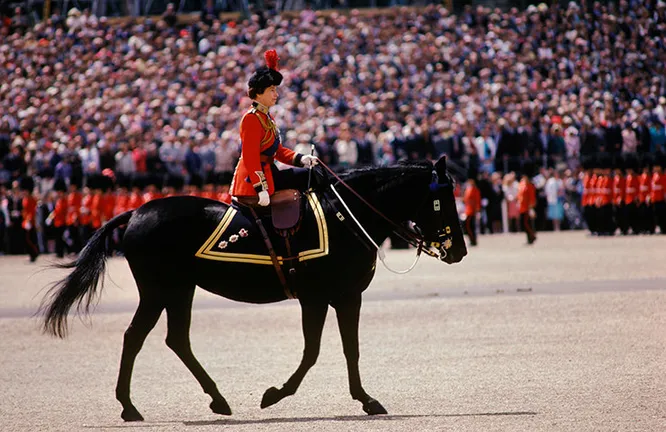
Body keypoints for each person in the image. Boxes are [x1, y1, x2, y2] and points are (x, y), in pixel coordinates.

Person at [230, 49, 318, 207]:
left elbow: (277, 151)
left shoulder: (267, 117)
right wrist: (260, 188)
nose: (276, 94)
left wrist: (300, 158)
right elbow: (250, 157)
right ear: (259, 93)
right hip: (251, 182)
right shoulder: (251, 118)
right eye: (272, 90)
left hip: (270, 172)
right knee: (311, 177)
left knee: (314, 175)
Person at [517, 162, 537, 245]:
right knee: (524, 224)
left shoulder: (530, 185)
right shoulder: (521, 184)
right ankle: (530, 237)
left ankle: (532, 237)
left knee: (527, 224)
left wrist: (531, 208)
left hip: (527, 207)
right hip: (522, 207)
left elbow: (532, 197)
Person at [463, 173, 481, 246]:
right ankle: (472, 239)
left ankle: (473, 240)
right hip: (468, 210)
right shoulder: (469, 189)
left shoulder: (475, 190)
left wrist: (477, 210)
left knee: (469, 226)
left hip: (471, 211)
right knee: (468, 226)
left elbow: (477, 201)